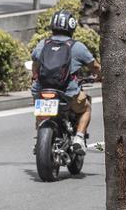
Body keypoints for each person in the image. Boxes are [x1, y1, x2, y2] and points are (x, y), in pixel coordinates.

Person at [31, 11, 100, 153]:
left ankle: (40, 139)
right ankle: (79, 138)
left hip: (42, 91)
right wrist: (100, 76)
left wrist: (34, 76)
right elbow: (95, 66)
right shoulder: (77, 47)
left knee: (41, 112)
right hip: (67, 93)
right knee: (86, 107)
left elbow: (35, 64)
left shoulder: (42, 44)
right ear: (72, 27)